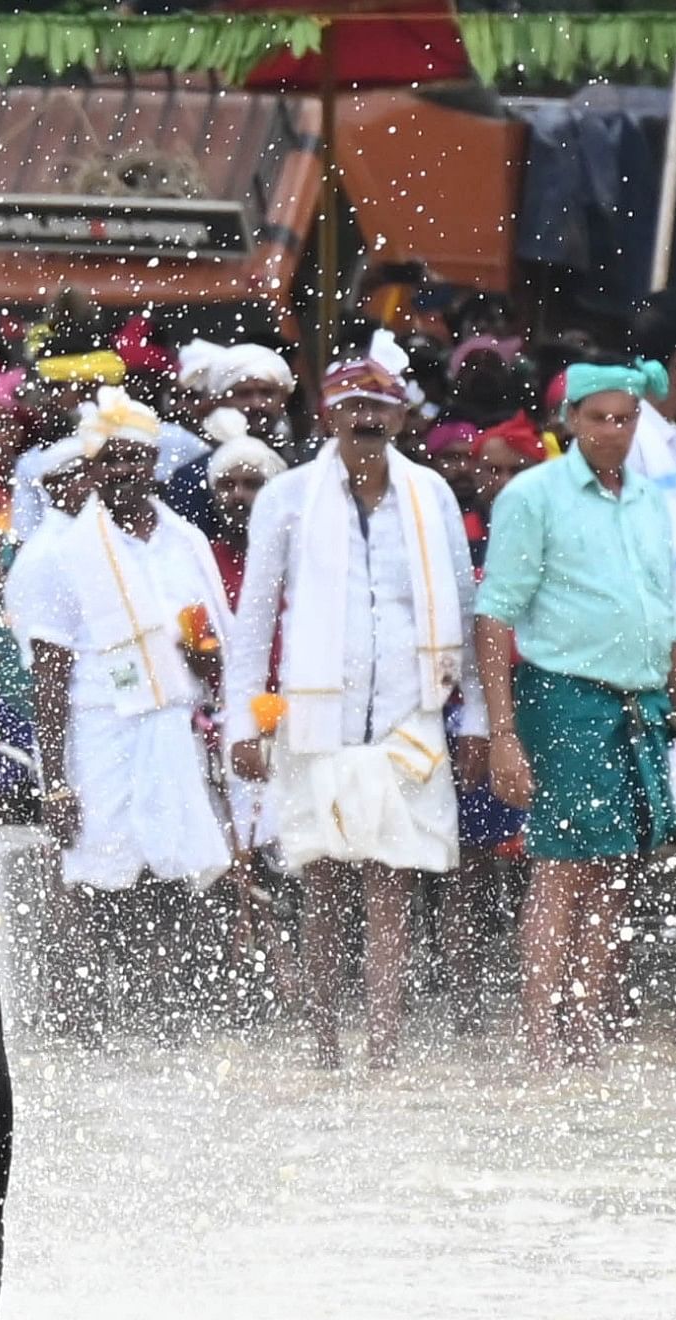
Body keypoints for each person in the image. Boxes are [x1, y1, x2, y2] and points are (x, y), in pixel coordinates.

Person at [225, 344, 481, 1067]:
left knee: (391, 881)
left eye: (378, 406)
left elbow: (462, 611)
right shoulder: (285, 497)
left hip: (409, 718)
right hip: (315, 724)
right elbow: (253, 621)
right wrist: (242, 723)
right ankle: (322, 1048)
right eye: (351, 405)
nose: (365, 418)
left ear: (401, 414)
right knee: (323, 885)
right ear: (327, 413)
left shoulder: (430, 493)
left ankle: (382, 1049)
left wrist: (482, 720)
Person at [475, 361, 676, 1065]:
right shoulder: (532, 495)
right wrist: (502, 735)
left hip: (642, 701)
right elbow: (493, 617)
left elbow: (664, 623)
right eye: (598, 417)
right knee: (561, 868)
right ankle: (540, 1038)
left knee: (616, 870)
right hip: (565, 697)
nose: (613, 430)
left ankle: (583, 1024)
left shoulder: (646, 500)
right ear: (568, 421)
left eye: (625, 417)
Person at [13, 392, 236, 1029]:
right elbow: (49, 676)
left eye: (134, 460)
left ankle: (163, 1009)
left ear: (154, 465)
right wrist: (54, 780)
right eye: (108, 461)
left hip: (172, 727)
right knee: (94, 869)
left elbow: (213, 642)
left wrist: (213, 681)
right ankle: (77, 1014)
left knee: (174, 865)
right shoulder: (60, 551)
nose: (121, 472)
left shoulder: (185, 540)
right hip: (97, 731)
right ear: (92, 466)